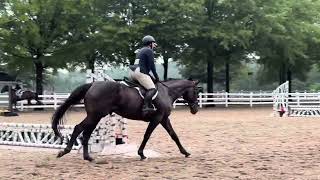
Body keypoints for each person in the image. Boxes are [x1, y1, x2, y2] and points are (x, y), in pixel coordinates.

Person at [129, 35, 160, 114]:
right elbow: (152, 66)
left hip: (132, 72)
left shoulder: (140, 50)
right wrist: (156, 77)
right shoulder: (149, 50)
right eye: (153, 43)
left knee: (143, 87)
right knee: (152, 89)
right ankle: (146, 107)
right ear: (150, 43)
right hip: (139, 72)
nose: (154, 45)